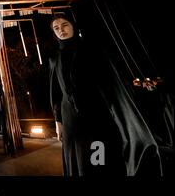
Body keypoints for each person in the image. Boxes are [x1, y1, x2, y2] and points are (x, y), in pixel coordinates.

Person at [49, 13, 162, 176]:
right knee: (77, 154)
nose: (61, 30)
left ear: (73, 26)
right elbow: (56, 93)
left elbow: (108, 81)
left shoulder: (90, 50)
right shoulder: (55, 59)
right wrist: (58, 121)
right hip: (70, 118)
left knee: (98, 152)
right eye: (56, 28)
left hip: (95, 113)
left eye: (65, 25)